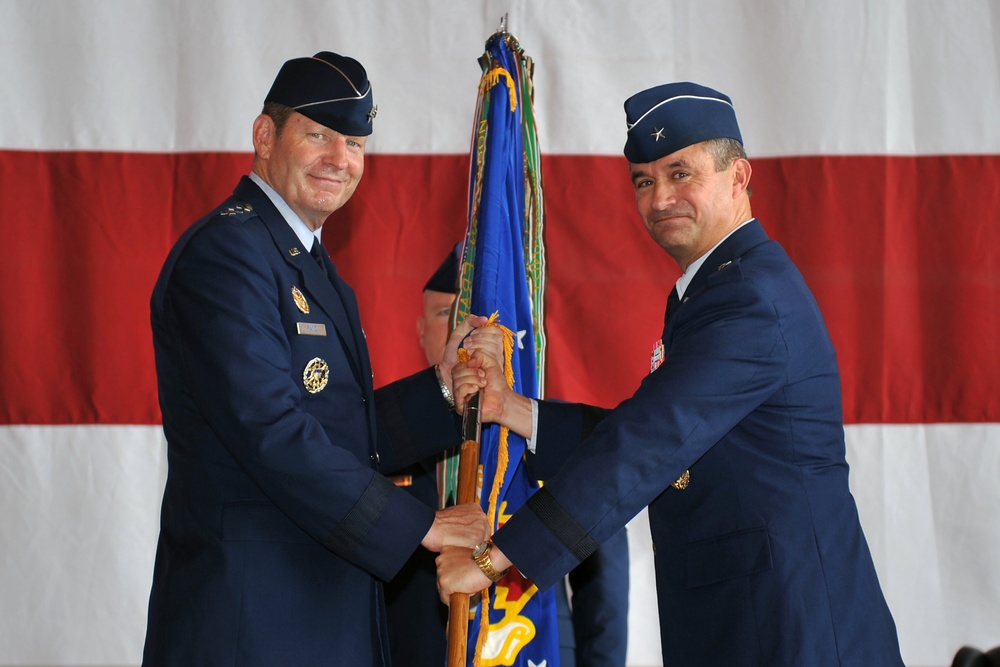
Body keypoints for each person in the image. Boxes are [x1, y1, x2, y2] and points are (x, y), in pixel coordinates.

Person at [438, 82, 905, 666]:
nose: (660, 199)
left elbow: (650, 442)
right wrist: (514, 410)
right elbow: (668, 438)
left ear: (739, 177)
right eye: (644, 180)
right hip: (753, 622)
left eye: (681, 174)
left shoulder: (749, 296)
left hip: (791, 630)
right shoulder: (714, 288)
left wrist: (492, 559)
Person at [142, 51, 491, 666]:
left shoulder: (301, 261)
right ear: (264, 136)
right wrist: (421, 527)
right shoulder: (227, 255)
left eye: (355, 143)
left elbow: (338, 429)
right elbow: (272, 432)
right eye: (319, 135)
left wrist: (442, 390)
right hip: (252, 623)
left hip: (311, 614)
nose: (340, 159)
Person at [387, 245, 631, 667]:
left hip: (534, 650)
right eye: (447, 315)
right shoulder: (389, 438)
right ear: (419, 329)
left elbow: (601, 578)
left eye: (472, 324)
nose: (459, 337)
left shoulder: (544, 437)